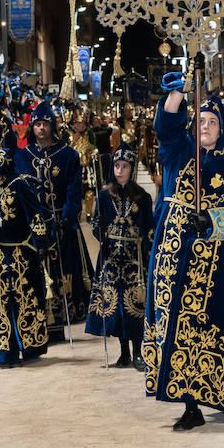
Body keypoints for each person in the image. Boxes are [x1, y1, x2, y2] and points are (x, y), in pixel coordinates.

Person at [143, 75, 224, 431]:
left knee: (212, 323)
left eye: (213, 122)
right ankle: (188, 402)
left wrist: (212, 220)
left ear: (222, 128)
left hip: (213, 262)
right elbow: (165, 125)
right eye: (200, 121)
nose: (205, 127)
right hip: (171, 253)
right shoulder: (178, 151)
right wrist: (178, 93)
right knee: (173, 322)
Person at [15, 101, 90, 336]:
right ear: (31, 127)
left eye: (45, 124)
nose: (41, 128)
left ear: (52, 126)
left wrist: (68, 216)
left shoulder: (68, 154)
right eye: (36, 124)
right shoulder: (21, 156)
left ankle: (65, 313)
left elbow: (73, 189)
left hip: (61, 221)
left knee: (63, 267)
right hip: (32, 225)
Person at [0, 144, 52, 368]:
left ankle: (28, 346)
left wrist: (41, 243)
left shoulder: (19, 185)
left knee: (25, 298)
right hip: (0, 255)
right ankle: (5, 353)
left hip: (23, 253)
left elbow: (35, 215)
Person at [86, 142, 155, 369]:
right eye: (117, 166)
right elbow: (98, 222)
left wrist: (147, 245)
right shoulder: (105, 196)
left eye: (124, 166)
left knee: (135, 306)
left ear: (131, 169)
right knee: (115, 308)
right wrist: (98, 230)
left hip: (134, 259)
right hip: (111, 258)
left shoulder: (142, 197)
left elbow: (148, 227)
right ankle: (124, 353)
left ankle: (138, 353)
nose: (120, 170)